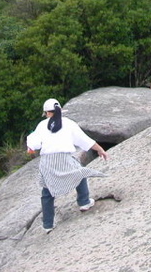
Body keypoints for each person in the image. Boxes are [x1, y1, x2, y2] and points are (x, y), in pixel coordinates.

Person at [26, 98, 109, 233]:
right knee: (79, 172)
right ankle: (84, 202)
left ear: (47, 113)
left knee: (47, 192)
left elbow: (33, 143)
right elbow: (84, 140)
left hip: (47, 161)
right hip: (64, 158)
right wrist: (100, 149)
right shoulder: (69, 123)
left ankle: (47, 224)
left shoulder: (42, 125)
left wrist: (30, 147)